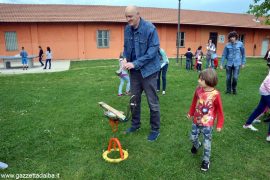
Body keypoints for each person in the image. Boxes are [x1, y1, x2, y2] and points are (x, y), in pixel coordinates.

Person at [122, 5, 161, 141]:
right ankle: (135, 124)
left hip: (149, 71)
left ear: (138, 15)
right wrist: (125, 58)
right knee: (134, 100)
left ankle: (155, 129)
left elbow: (152, 52)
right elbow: (126, 47)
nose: (128, 19)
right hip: (134, 72)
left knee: (152, 101)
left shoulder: (150, 29)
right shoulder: (127, 29)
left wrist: (135, 63)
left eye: (130, 16)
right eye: (126, 16)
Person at [187, 68, 224, 171]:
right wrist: (190, 113)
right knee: (192, 137)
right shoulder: (198, 90)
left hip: (208, 124)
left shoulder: (216, 94)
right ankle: (197, 145)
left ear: (209, 80)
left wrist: (219, 124)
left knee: (207, 143)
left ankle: (206, 161)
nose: (198, 80)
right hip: (196, 120)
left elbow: (220, 111)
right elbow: (194, 102)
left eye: (201, 79)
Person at [243, 62, 270, 142]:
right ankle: (269, 136)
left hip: (264, 91)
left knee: (260, 108)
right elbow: (266, 82)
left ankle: (247, 124)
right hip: (266, 92)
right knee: (260, 108)